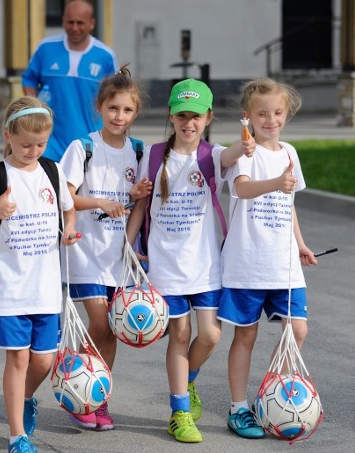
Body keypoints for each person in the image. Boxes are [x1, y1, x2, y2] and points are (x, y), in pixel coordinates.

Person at [126, 79, 255, 443]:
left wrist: (245, 146)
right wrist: (128, 244)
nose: (189, 123)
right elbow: (141, 204)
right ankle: (179, 411)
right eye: (182, 115)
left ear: (208, 117)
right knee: (180, 335)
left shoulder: (211, 156)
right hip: (165, 267)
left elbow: (232, 156)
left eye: (196, 116)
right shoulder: (152, 155)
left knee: (211, 334)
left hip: (205, 267)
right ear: (171, 114)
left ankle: (190, 380)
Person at [0, 96, 78, 453]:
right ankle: (17, 436)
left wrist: (69, 230)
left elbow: (69, 211)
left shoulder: (53, 172)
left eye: (40, 144)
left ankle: (26, 398)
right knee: (18, 357)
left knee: (43, 359)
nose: (33, 150)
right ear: (8, 135)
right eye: (26, 143)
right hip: (7, 287)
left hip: (44, 287)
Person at [218, 77, 317, 440]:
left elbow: (289, 206)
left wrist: (301, 244)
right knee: (246, 336)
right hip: (247, 263)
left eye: (277, 112)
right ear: (248, 117)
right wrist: (276, 182)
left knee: (299, 329)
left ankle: (270, 394)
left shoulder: (290, 152)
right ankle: (238, 406)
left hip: (284, 263)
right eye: (262, 113)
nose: (270, 119)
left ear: (286, 114)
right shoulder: (245, 151)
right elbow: (242, 190)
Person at [58, 65, 152, 431]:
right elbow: (65, 197)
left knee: (111, 330)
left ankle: (96, 396)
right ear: (100, 107)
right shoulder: (83, 147)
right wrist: (98, 202)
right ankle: (78, 391)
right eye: (113, 108)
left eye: (127, 110)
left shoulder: (138, 151)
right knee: (99, 324)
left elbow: (139, 204)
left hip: (118, 258)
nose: (119, 116)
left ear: (136, 113)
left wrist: (129, 241)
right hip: (85, 255)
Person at [22, 0, 117, 162]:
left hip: (89, 143)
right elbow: (29, 80)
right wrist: (34, 111)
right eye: (70, 22)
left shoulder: (105, 56)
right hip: (50, 142)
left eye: (80, 23)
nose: (74, 28)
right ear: (63, 22)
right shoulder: (46, 48)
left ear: (92, 23)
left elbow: (116, 97)